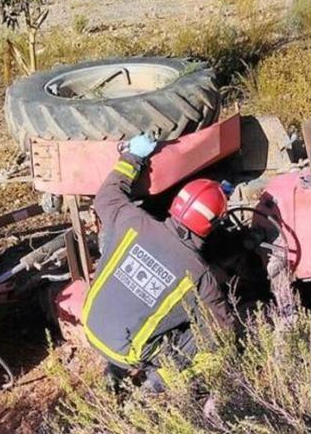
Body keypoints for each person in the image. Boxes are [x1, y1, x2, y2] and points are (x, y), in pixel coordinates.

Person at [82, 133, 234, 392]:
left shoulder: (132, 221)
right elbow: (222, 326)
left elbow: (106, 196)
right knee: (215, 341)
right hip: (127, 350)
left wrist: (133, 156)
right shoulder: (198, 273)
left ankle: (113, 372)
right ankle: (155, 387)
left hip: (91, 324)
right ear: (213, 224)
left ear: (176, 203)